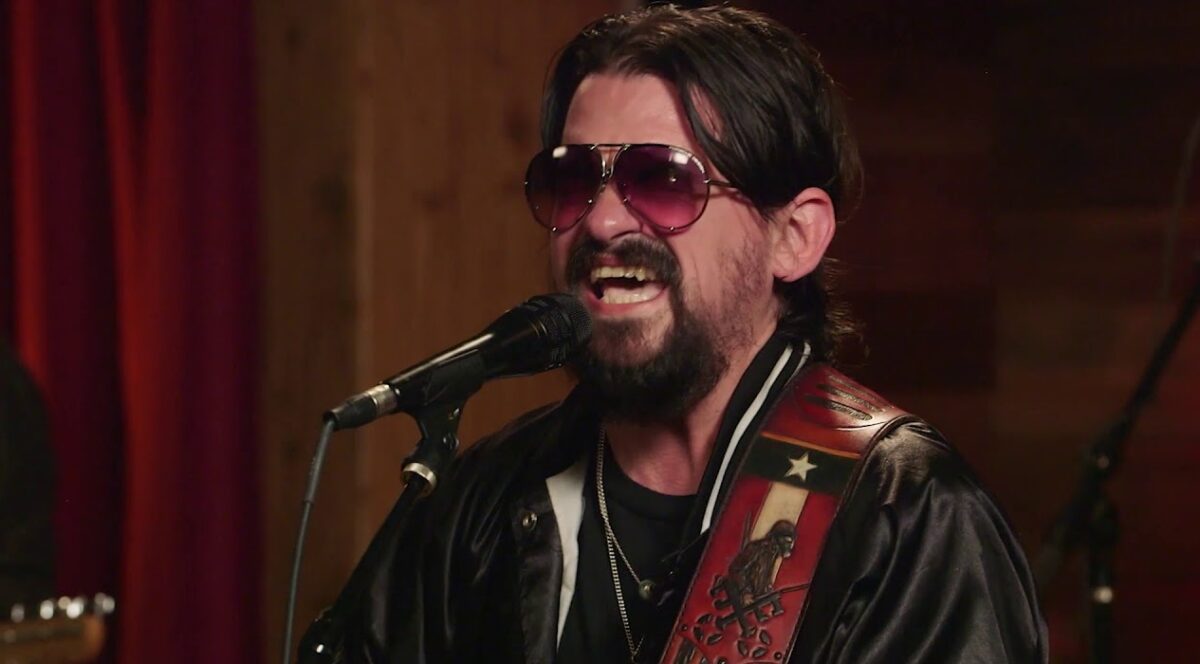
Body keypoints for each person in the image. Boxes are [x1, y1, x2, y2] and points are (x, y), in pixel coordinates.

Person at [345, 5, 1047, 662]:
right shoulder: (480, 503)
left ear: (794, 237)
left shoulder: (908, 520)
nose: (602, 222)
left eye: (662, 180)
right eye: (573, 180)